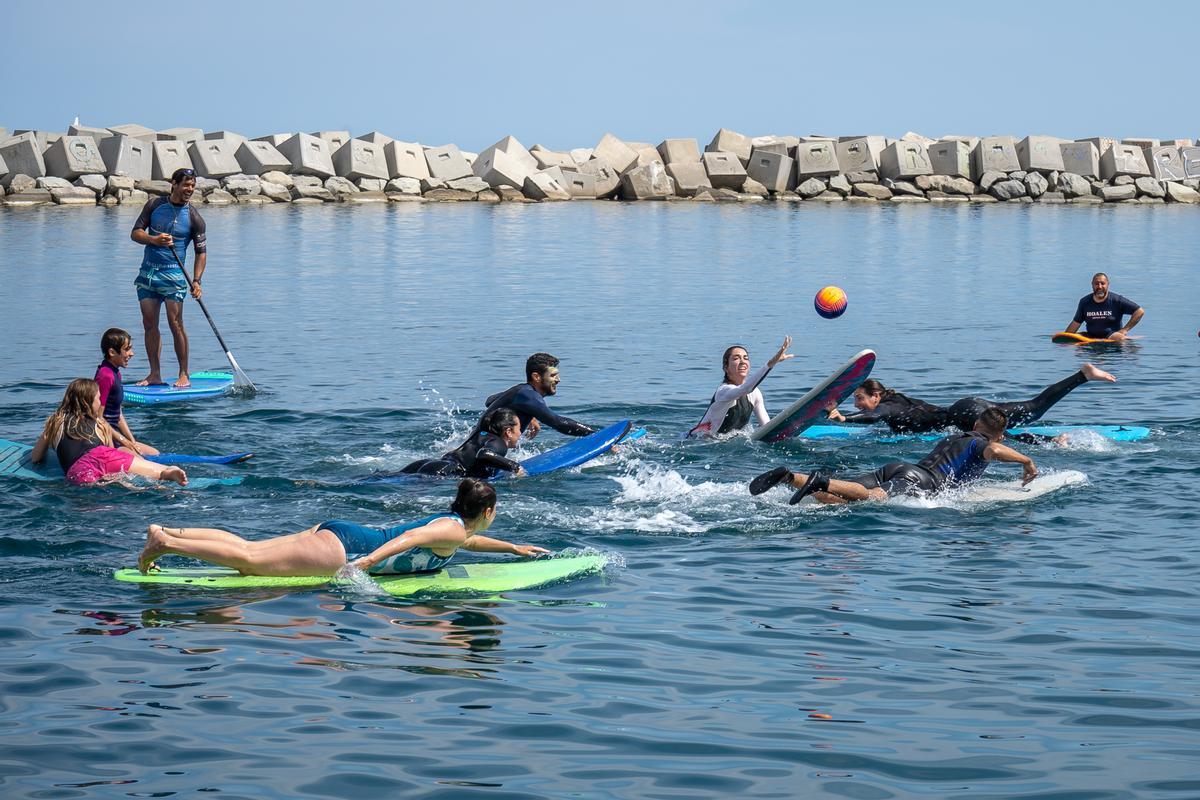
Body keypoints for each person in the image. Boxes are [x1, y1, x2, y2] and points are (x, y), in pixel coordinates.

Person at [137, 477, 549, 576]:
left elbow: (468, 543)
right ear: (488, 510)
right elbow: (411, 539)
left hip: (343, 532)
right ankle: (167, 546)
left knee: (250, 546)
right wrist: (366, 563)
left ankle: (170, 531)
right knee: (248, 561)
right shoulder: (452, 531)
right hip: (346, 550)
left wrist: (514, 550)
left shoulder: (458, 526)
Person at [750, 408, 1037, 505]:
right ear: (998, 434)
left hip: (901, 467)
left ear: (975, 425)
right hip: (922, 481)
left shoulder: (956, 436)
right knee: (872, 498)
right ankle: (820, 481)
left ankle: (790, 477)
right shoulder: (981, 444)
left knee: (842, 501)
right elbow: (994, 450)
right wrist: (1026, 461)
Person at [825, 364, 1116, 435]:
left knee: (993, 440)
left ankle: (1052, 442)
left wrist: (843, 419)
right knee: (1034, 408)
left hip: (964, 415)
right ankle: (1083, 375)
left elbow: (874, 416)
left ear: (876, 395)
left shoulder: (888, 406)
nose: (858, 404)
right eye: (854, 402)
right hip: (967, 405)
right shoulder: (898, 399)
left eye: (860, 399)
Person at [130, 167, 207, 388]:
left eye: (192, 186)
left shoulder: (194, 217)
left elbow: (201, 252)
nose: (189, 189)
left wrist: (196, 280)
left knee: (176, 323)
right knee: (149, 324)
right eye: (186, 185)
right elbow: (135, 233)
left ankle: (184, 374)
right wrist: (154, 240)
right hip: (148, 274)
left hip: (174, 276)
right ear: (173, 184)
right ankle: (154, 374)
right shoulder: (154, 205)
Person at [31, 379, 187, 487]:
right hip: (104, 455)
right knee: (151, 471)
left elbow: (36, 457)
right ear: (88, 402)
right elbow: (110, 452)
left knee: (103, 484)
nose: (100, 403)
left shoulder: (55, 421)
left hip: (77, 471)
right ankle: (166, 473)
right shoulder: (100, 423)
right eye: (98, 398)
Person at [689, 336, 795, 437]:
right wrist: (771, 363)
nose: (743, 361)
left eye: (745, 358)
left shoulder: (755, 393)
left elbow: (766, 426)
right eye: (736, 358)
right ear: (726, 367)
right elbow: (745, 389)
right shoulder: (723, 391)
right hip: (697, 442)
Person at [476, 353, 595, 440]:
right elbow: (559, 423)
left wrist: (531, 415)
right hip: (478, 462)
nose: (558, 380)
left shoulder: (522, 392)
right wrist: (596, 435)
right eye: (553, 375)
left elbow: (490, 401)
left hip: (475, 448)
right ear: (536, 377)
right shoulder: (529, 396)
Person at [397, 408, 526, 479]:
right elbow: (484, 454)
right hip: (445, 471)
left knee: (385, 478)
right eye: (519, 429)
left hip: (429, 463)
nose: (520, 433)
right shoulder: (499, 443)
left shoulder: (482, 434)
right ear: (508, 431)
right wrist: (514, 467)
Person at [94, 327, 159, 456]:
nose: (132, 353)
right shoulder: (105, 376)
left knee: (154, 454)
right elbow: (98, 418)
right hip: (106, 439)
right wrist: (123, 442)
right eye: (127, 349)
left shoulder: (115, 372)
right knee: (145, 463)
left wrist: (132, 441)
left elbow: (118, 414)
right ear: (112, 352)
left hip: (116, 435)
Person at [1064, 272, 1144, 341]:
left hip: (1112, 336)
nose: (1099, 287)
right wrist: (1064, 337)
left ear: (1108, 284)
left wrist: (1124, 330)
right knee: (1075, 342)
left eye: (1102, 283)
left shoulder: (1117, 300)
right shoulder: (1084, 302)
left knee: (1120, 338)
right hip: (1090, 336)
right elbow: (1076, 323)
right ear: (1092, 285)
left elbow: (1139, 311)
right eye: (1096, 284)